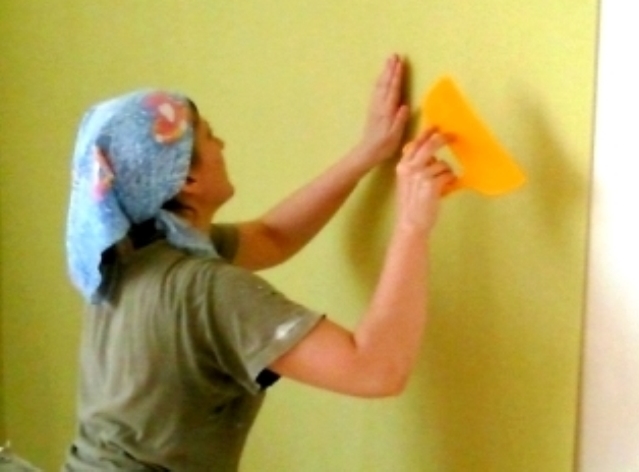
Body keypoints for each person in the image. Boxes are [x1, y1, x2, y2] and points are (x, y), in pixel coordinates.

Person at [62, 54, 455, 471]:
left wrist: (366, 154)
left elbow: (272, 236)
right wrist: (412, 225)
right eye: (210, 136)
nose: (222, 146)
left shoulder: (132, 255)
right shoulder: (207, 288)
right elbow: (375, 371)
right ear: (187, 179)